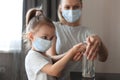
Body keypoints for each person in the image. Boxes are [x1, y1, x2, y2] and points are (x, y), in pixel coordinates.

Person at [46, 0, 109, 80]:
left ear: (81, 7)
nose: (71, 11)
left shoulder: (88, 32)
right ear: (60, 8)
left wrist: (99, 43)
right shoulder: (53, 28)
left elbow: (103, 58)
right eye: (67, 7)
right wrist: (71, 53)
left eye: (76, 7)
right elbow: (50, 59)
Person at [24, 8, 86, 80]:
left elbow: (53, 59)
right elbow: (54, 71)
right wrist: (72, 52)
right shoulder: (32, 56)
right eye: (44, 37)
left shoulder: (42, 54)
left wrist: (72, 53)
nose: (48, 41)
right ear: (31, 36)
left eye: (51, 38)